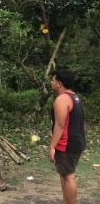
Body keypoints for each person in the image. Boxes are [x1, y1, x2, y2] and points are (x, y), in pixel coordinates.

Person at [48, 69, 86, 204]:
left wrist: (52, 146)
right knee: (64, 175)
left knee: (68, 176)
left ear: (59, 83)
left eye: (53, 80)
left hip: (67, 144)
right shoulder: (74, 96)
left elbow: (60, 125)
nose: (51, 82)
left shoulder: (62, 99)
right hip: (76, 141)